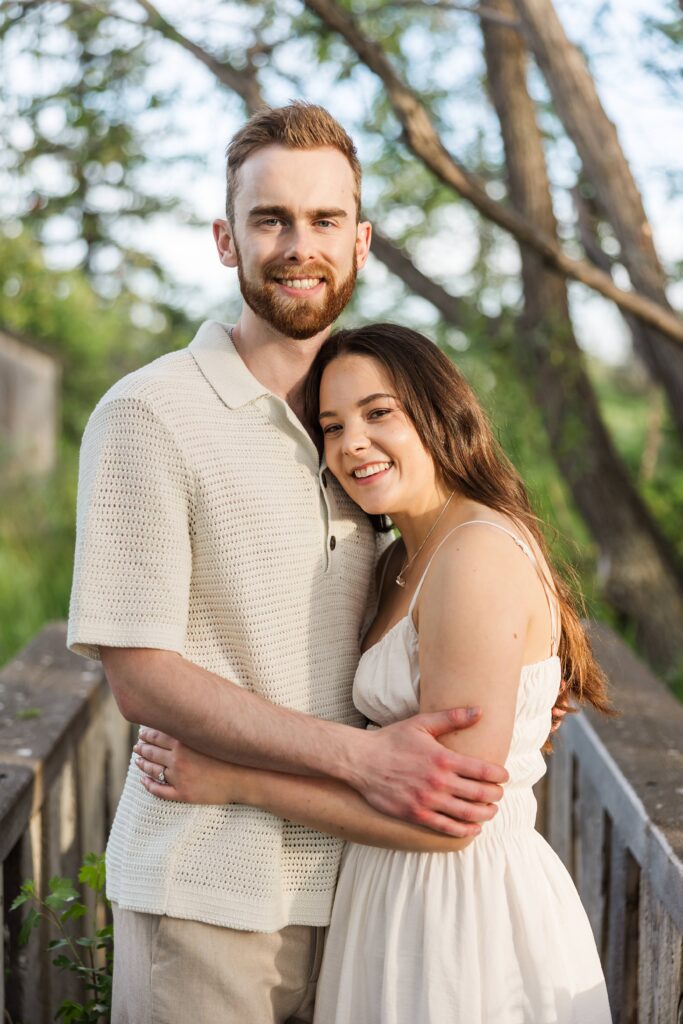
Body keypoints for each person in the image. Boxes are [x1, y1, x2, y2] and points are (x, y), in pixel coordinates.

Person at [67, 104, 513, 1024]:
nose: (298, 245)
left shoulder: (369, 430)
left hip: (366, 890)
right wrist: (361, 759)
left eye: (324, 220)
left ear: (361, 241)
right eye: (270, 220)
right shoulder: (148, 413)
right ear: (227, 240)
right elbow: (142, 676)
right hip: (210, 883)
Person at [135, 325, 613, 1022]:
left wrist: (236, 780)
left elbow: (449, 824)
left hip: (457, 909)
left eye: (378, 413)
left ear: (441, 412)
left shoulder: (474, 553)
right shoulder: (395, 561)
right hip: (388, 892)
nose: (351, 443)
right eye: (331, 427)